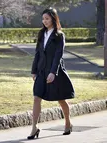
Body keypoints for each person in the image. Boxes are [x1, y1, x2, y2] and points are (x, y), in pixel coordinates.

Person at [27, 7, 75, 140]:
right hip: (41, 71)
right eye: (43, 19)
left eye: (47, 19)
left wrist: (53, 72)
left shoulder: (59, 35)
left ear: (53, 19)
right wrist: (34, 70)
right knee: (37, 97)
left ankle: (68, 122)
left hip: (55, 71)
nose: (44, 21)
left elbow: (58, 55)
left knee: (61, 99)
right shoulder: (41, 34)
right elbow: (37, 53)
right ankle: (34, 128)